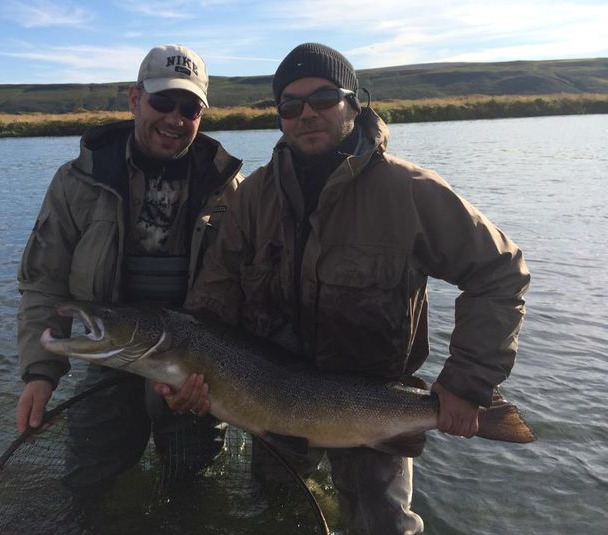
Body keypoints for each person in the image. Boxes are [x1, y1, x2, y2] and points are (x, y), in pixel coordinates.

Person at [179, 43, 530, 534]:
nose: (307, 114)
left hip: (373, 407)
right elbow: (214, 299)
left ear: (354, 102)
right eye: (291, 106)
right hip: (272, 399)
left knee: (382, 526)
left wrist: (467, 383)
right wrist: (191, 372)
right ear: (279, 117)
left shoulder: (409, 190)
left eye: (323, 98)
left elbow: (500, 271)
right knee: (280, 517)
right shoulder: (253, 196)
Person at [15, 44, 243, 487]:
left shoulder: (229, 187)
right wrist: (41, 373)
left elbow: (246, 287)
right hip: (112, 358)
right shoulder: (77, 181)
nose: (175, 119)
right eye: (163, 102)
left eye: (190, 107)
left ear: (202, 113)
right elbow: (45, 283)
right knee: (87, 483)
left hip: (200, 368)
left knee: (192, 486)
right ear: (135, 99)